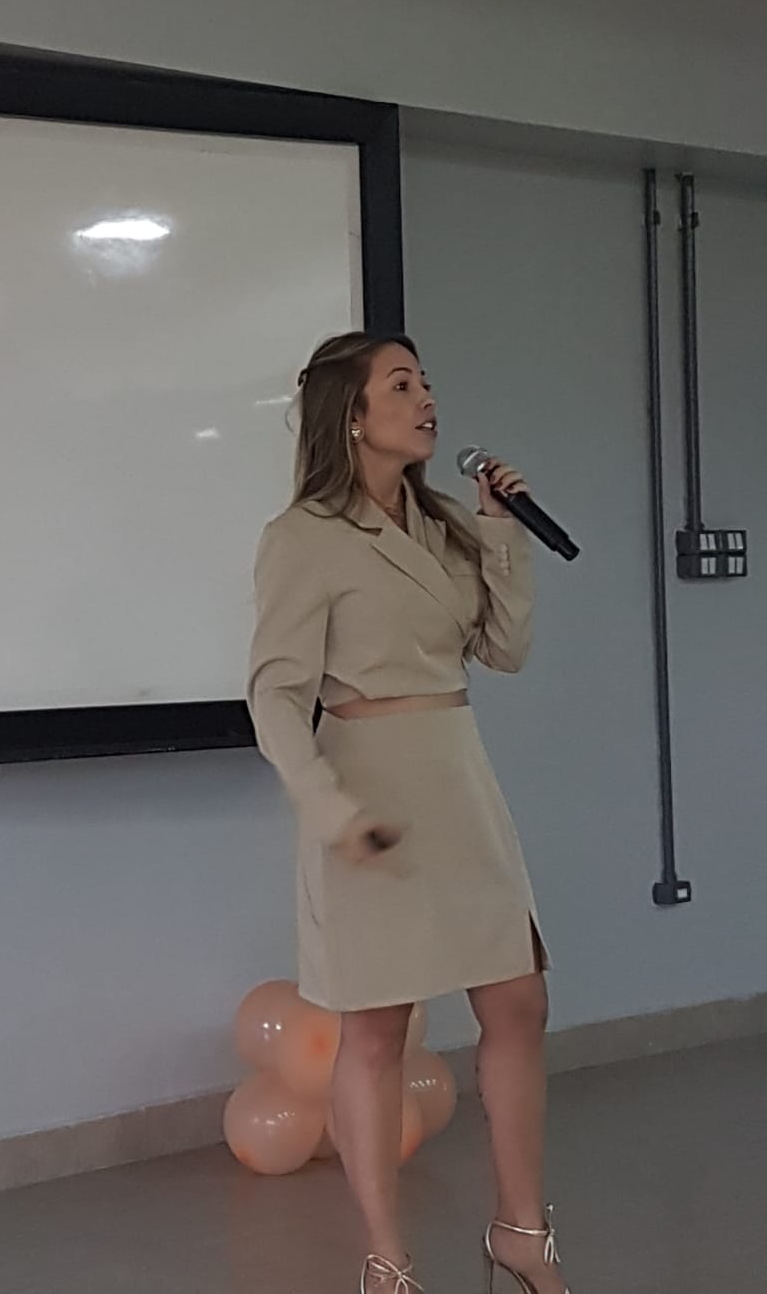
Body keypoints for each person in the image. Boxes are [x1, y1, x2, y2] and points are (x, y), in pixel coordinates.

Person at [247, 332, 569, 1294]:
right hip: (369, 793)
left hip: (459, 780)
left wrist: (498, 528)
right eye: (401, 385)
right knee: (378, 1030)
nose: (426, 398)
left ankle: (521, 1233)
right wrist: (328, 809)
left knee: (520, 1001)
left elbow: (504, 651)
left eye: (426, 382)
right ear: (352, 416)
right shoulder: (303, 537)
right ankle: (387, 1260)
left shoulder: (446, 525)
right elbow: (274, 696)